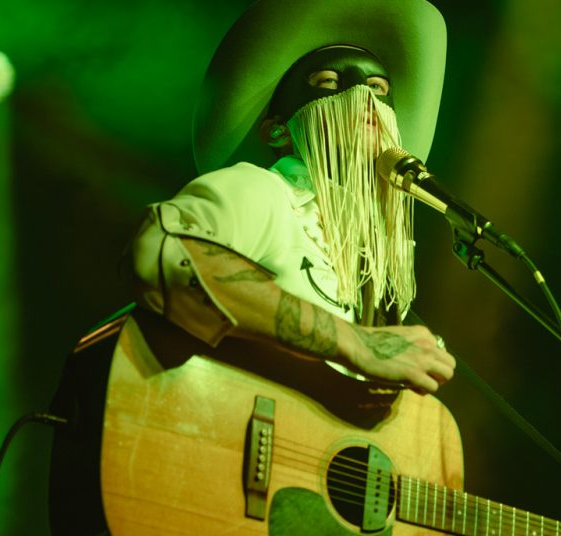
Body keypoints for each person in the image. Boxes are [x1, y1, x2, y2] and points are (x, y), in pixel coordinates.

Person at [125, 0, 455, 394]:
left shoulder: (375, 259)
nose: (363, 97)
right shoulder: (261, 190)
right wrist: (356, 342)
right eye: (329, 83)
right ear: (278, 130)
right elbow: (162, 250)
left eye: (377, 88)